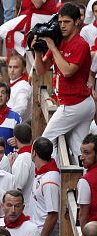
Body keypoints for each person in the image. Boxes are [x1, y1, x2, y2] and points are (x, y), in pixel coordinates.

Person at [35, 3, 93, 157]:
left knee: (44, 142)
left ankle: (55, 173)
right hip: (77, 103)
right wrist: (37, 51)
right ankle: (81, 179)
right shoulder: (59, 42)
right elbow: (41, 70)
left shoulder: (81, 44)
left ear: (77, 22)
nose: (62, 26)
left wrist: (52, 47)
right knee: (78, 151)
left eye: (67, 22)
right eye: (60, 22)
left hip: (75, 104)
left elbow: (68, 71)